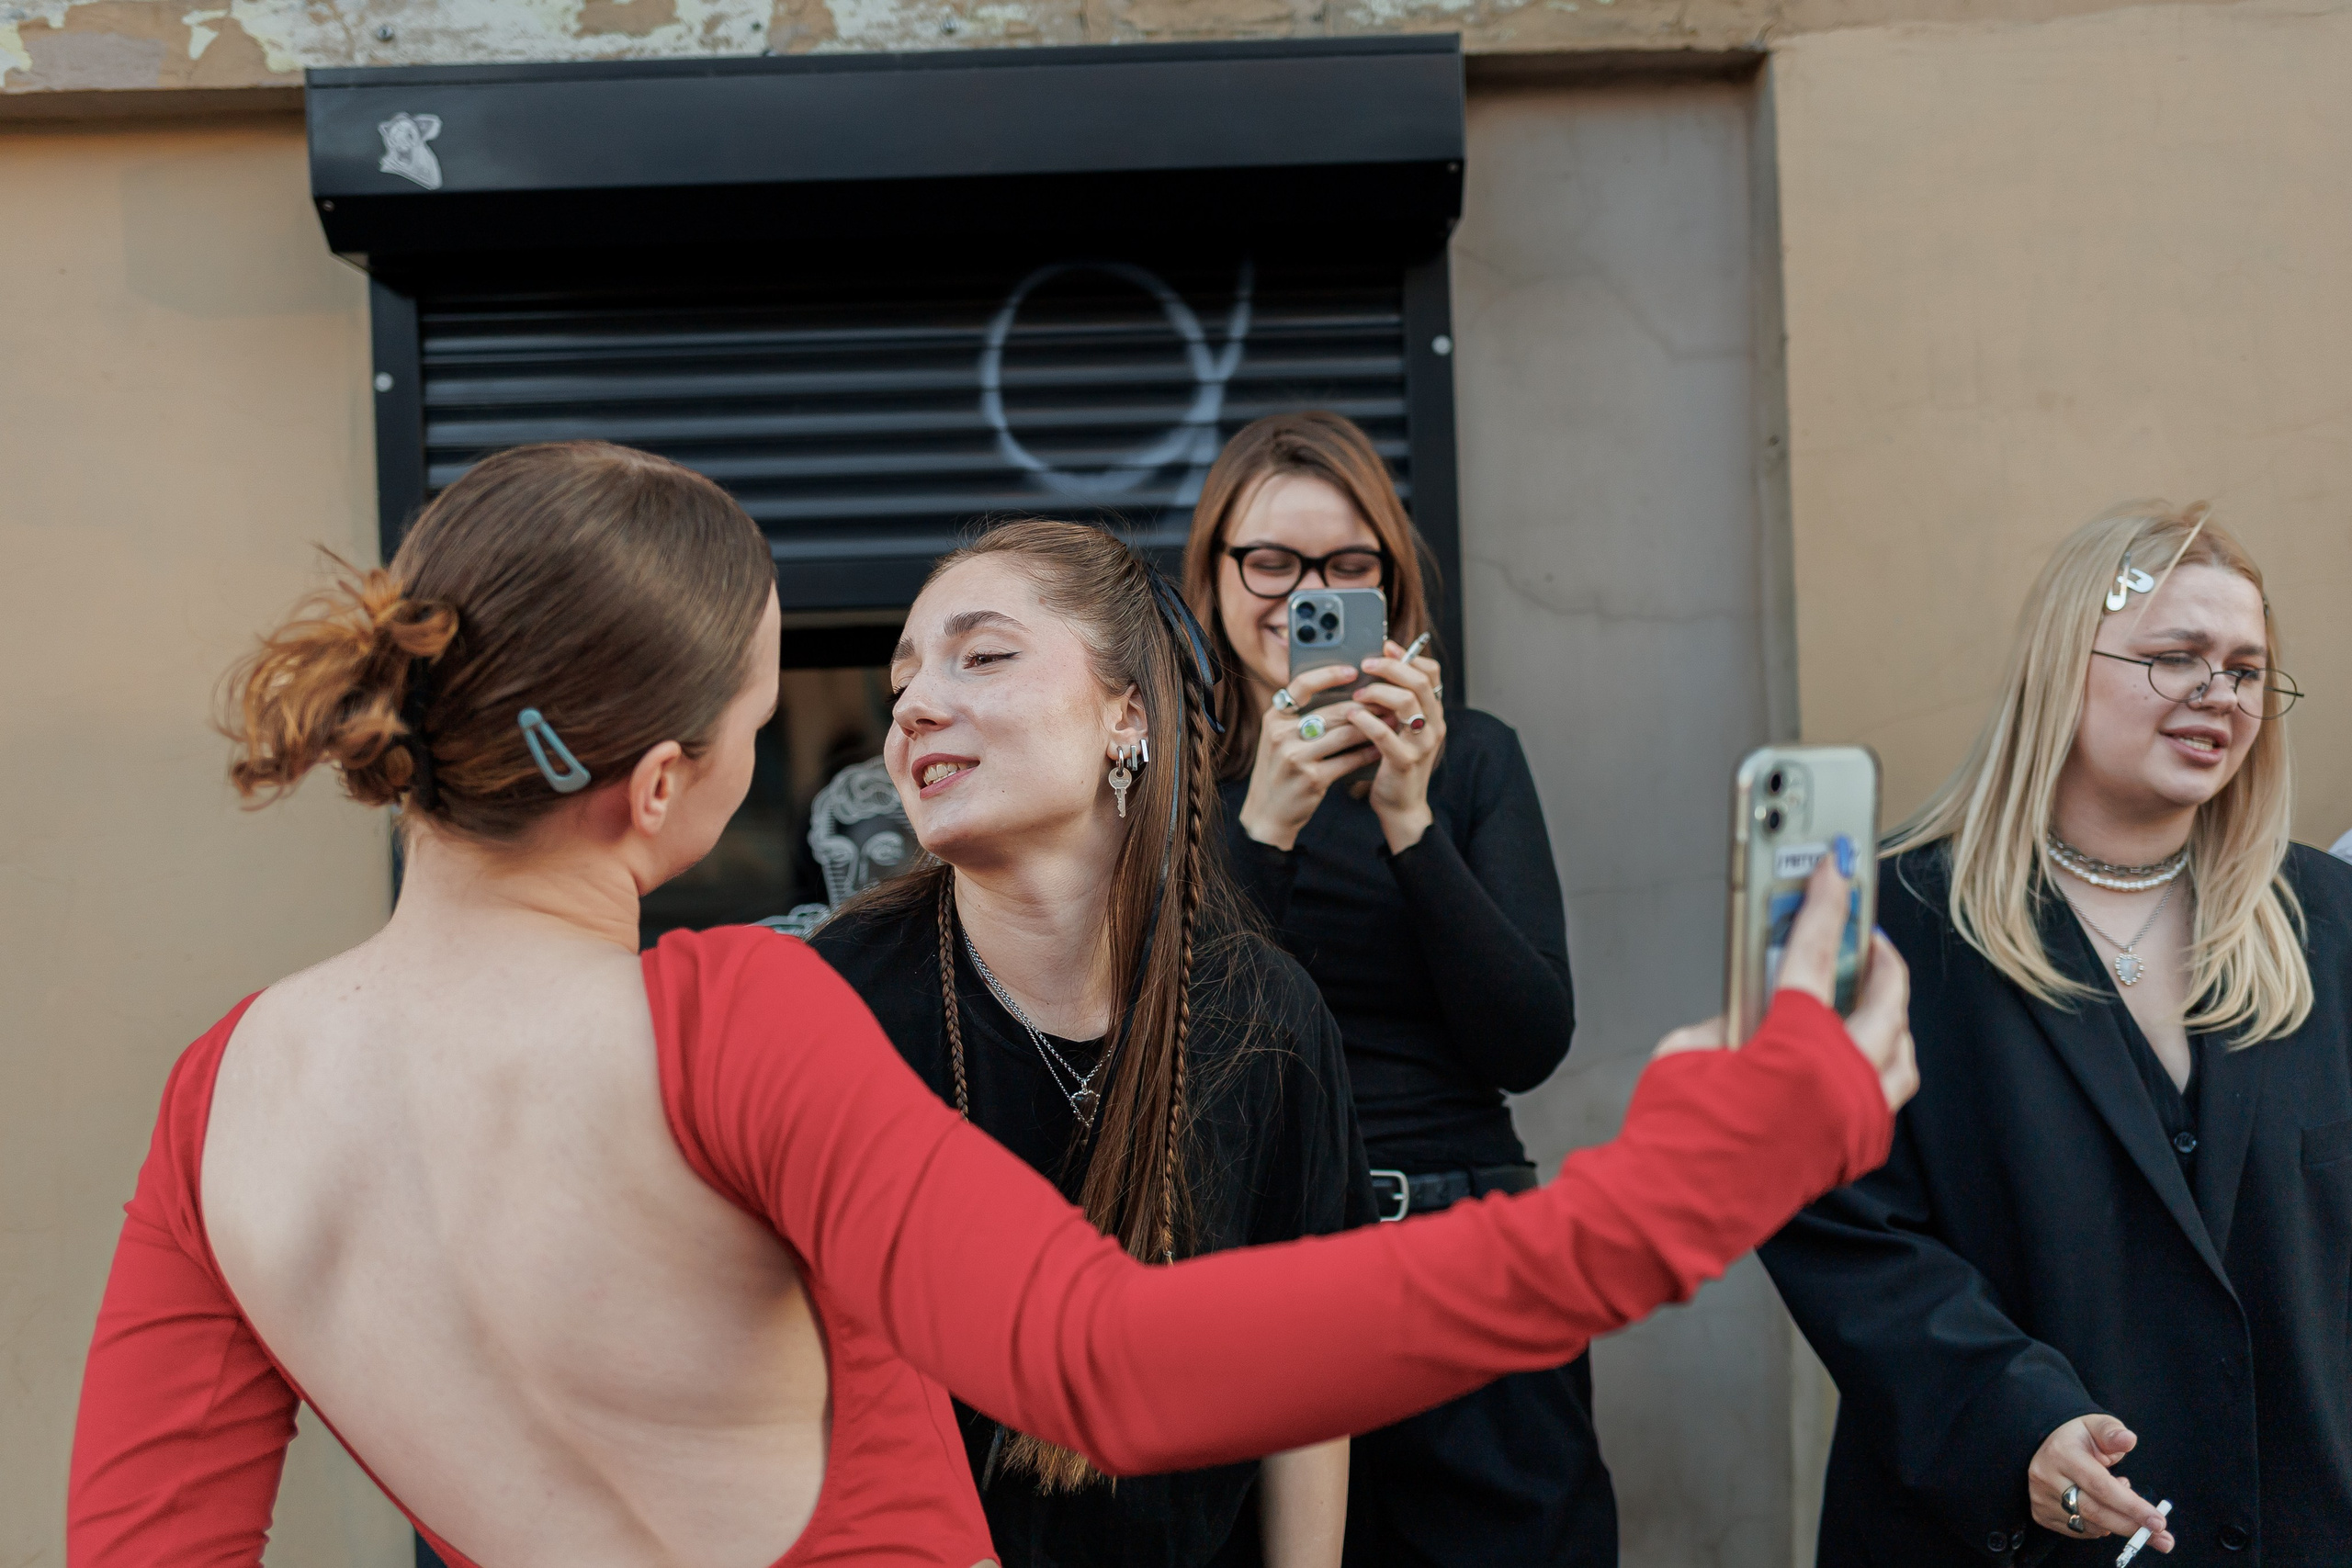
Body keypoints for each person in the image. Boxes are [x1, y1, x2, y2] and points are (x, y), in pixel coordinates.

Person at [68, 439, 1914, 1568]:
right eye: (760, 699)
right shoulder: (734, 1021)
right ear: (657, 787)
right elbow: (1116, 1362)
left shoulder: (223, 1095)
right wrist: (1703, 1169)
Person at [1761, 502, 2349, 1567]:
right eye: (2175, 658)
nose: (2217, 694)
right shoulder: (1892, 923)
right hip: (1997, 1536)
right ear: (2058, 666)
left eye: (2247, 669)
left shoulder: (2328, 921)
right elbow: (1835, 1224)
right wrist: (2008, 1418)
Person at [808, 520, 1374, 1568]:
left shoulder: (1262, 1014)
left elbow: (1307, 1381)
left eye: (981, 656)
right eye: (902, 684)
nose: (916, 704)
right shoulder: (830, 1000)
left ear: (1128, 715)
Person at [1182, 410, 1605, 1566]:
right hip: (1252, 1269)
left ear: (1391, 584)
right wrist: (1260, 823)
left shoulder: (1469, 757)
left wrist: (1409, 820)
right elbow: (1170, 1047)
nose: (1300, 593)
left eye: (1345, 566)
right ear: (1215, 570)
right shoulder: (1164, 775)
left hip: (1462, 1248)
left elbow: (1527, 1039)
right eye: (1268, 561)